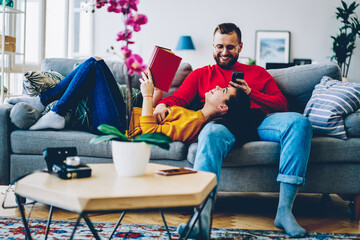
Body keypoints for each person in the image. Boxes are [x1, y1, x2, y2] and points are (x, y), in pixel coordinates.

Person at [153, 23, 312, 238]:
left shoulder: (257, 72)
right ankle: (201, 218)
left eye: (230, 47)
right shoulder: (200, 75)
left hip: (260, 121)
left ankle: (284, 211)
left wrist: (251, 93)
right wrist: (163, 104)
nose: (224, 52)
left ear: (240, 47)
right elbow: (177, 99)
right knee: (208, 134)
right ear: (213, 46)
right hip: (224, 125)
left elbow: (281, 105)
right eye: (220, 46)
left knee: (300, 122)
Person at [5, 56, 250, 144]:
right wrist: (158, 92)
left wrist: (145, 95)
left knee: (95, 63)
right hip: (122, 117)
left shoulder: (194, 123)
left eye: (223, 90)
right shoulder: (192, 114)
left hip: (120, 126)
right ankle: (49, 103)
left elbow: (148, 130)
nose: (218, 86)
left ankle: (54, 109)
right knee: (92, 64)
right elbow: (155, 117)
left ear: (222, 107)